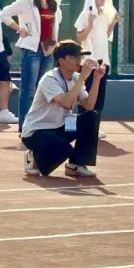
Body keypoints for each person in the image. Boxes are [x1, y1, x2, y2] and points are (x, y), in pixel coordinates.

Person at [21, 40, 104, 178]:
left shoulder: (76, 78)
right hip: (37, 131)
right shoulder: (50, 79)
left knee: (91, 117)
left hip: (62, 126)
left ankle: (76, 165)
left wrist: (96, 79)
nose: (78, 60)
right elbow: (66, 103)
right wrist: (83, 77)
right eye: (73, 57)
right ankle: (33, 156)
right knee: (64, 149)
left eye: (79, 56)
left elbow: (89, 105)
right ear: (61, 61)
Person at [1, 0, 63, 131]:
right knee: (28, 89)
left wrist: (55, 40)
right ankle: (25, 126)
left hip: (49, 50)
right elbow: (4, 13)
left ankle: (40, 125)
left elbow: (56, 24)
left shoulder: (55, 2)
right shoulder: (27, 0)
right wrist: (19, 28)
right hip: (31, 50)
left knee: (45, 89)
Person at [75, 0, 120, 137]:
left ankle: (94, 127)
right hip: (89, 61)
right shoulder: (85, 14)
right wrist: (89, 23)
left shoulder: (104, 15)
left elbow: (106, 35)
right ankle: (83, 127)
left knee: (100, 97)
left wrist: (113, 23)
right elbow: (80, 37)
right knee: (86, 95)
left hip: (103, 61)